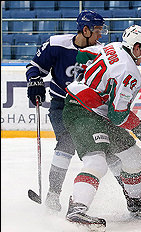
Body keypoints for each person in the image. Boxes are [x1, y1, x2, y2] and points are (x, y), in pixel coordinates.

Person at [62, 25, 141, 232]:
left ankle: (135, 202)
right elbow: (117, 115)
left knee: (134, 157)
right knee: (97, 161)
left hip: (97, 112)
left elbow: (83, 55)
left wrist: (93, 79)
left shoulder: (114, 46)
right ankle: (76, 211)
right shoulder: (130, 72)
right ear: (136, 47)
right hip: (82, 110)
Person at [26, 10, 110, 212]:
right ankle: (52, 196)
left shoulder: (102, 52)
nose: (101, 35)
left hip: (90, 109)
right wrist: (34, 80)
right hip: (62, 105)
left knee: (107, 150)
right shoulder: (56, 44)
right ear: (86, 30)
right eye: (98, 30)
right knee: (66, 142)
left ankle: (131, 197)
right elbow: (34, 66)